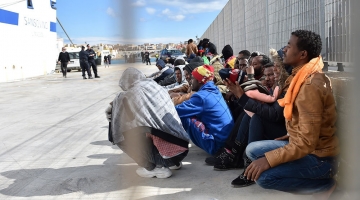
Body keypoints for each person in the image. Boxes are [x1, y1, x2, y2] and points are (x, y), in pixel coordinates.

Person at [227, 30, 339, 198]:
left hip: (320, 159)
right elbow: (310, 126)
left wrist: (269, 160)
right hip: (308, 147)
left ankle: (324, 185)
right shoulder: (300, 76)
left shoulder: (310, 86)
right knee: (253, 149)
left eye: (289, 45)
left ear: (302, 54)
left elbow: (307, 142)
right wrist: (289, 136)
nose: (285, 49)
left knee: (264, 178)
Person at [106, 67, 190, 178]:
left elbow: (114, 118)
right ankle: (173, 162)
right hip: (182, 147)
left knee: (117, 134)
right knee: (149, 128)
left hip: (169, 154)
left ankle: (155, 168)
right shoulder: (155, 86)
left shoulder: (127, 95)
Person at [175, 65, 234, 155]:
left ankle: (173, 153)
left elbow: (176, 111)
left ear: (199, 80)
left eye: (193, 78)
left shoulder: (201, 97)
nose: (190, 81)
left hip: (216, 146)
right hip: (226, 142)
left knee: (183, 117)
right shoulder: (214, 90)